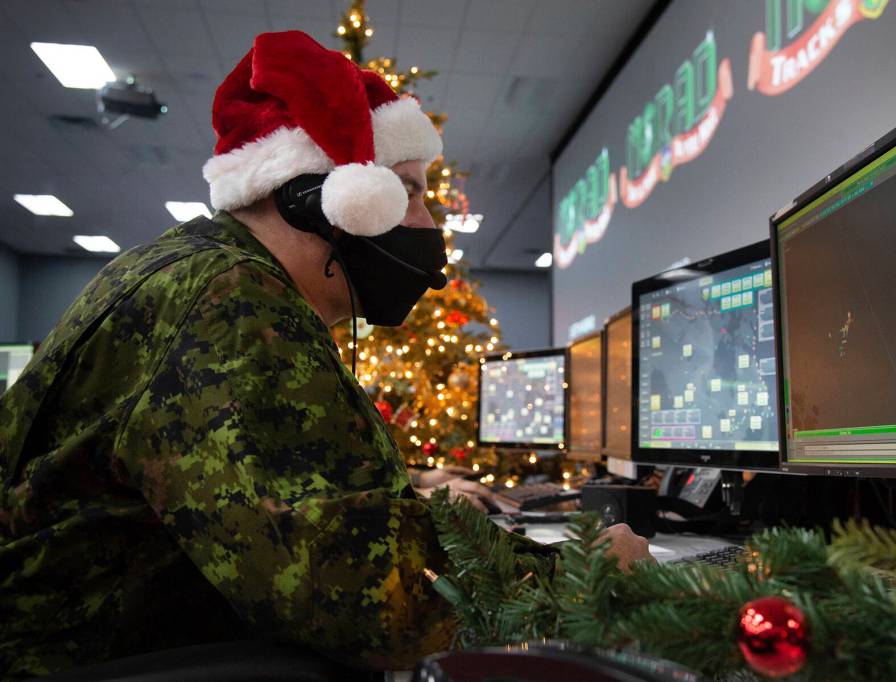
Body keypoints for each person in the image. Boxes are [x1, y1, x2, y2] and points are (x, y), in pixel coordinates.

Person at [0, 31, 653, 678]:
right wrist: (587, 571)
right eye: (411, 191)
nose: (429, 225)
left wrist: (418, 493)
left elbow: (267, 496)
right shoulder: (230, 302)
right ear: (317, 198)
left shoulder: (197, 271)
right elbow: (358, 590)